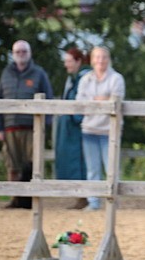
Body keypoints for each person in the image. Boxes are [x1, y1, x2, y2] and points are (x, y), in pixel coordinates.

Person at [0, 40, 55, 208]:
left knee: (33, 165)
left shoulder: (39, 73)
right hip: (10, 127)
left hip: (32, 128)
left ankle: (33, 200)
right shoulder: (6, 73)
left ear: (29, 53)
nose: (21, 54)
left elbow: (49, 99)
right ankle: (14, 198)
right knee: (12, 165)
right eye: (18, 52)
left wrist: (45, 126)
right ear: (13, 54)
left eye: (24, 51)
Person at [76, 46, 126, 210]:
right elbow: (80, 103)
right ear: (91, 60)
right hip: (89, 129)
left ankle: (113, 202)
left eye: (103, 57)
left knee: (111, 169)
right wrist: (101, 100)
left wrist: (95, 101)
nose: (100, 60)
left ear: (108, 59)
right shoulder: (85, 79)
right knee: (92, 170)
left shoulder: (116, 78)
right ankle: (94, 202)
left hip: (109, 131)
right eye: (97, 57)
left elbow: (115, 101)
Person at [54, 47, 91, 209]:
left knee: (80, 162)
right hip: (69, 125)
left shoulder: (85, 78)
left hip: (77, 126)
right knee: (71, 160)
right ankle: (79, 195)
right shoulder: (73, 79)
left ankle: (85, 196)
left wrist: (76, 118)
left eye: (69, 61)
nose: (66, 65)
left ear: (78, 61)